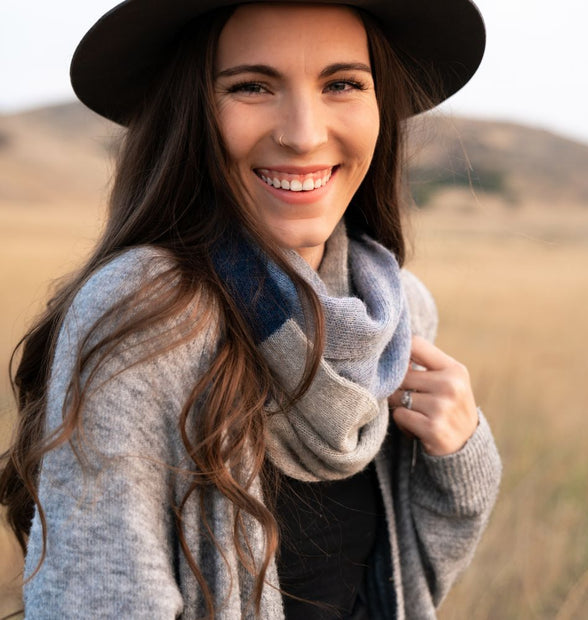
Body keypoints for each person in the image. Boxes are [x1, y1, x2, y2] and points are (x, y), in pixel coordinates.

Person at [0, 1, 501, 618]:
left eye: (342, 83)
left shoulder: (396, 313)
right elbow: (101, 598)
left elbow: (404, 588)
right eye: (252, 86)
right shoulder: (146, 313)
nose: (303, 133)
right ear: (191, 112)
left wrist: (460, 459)